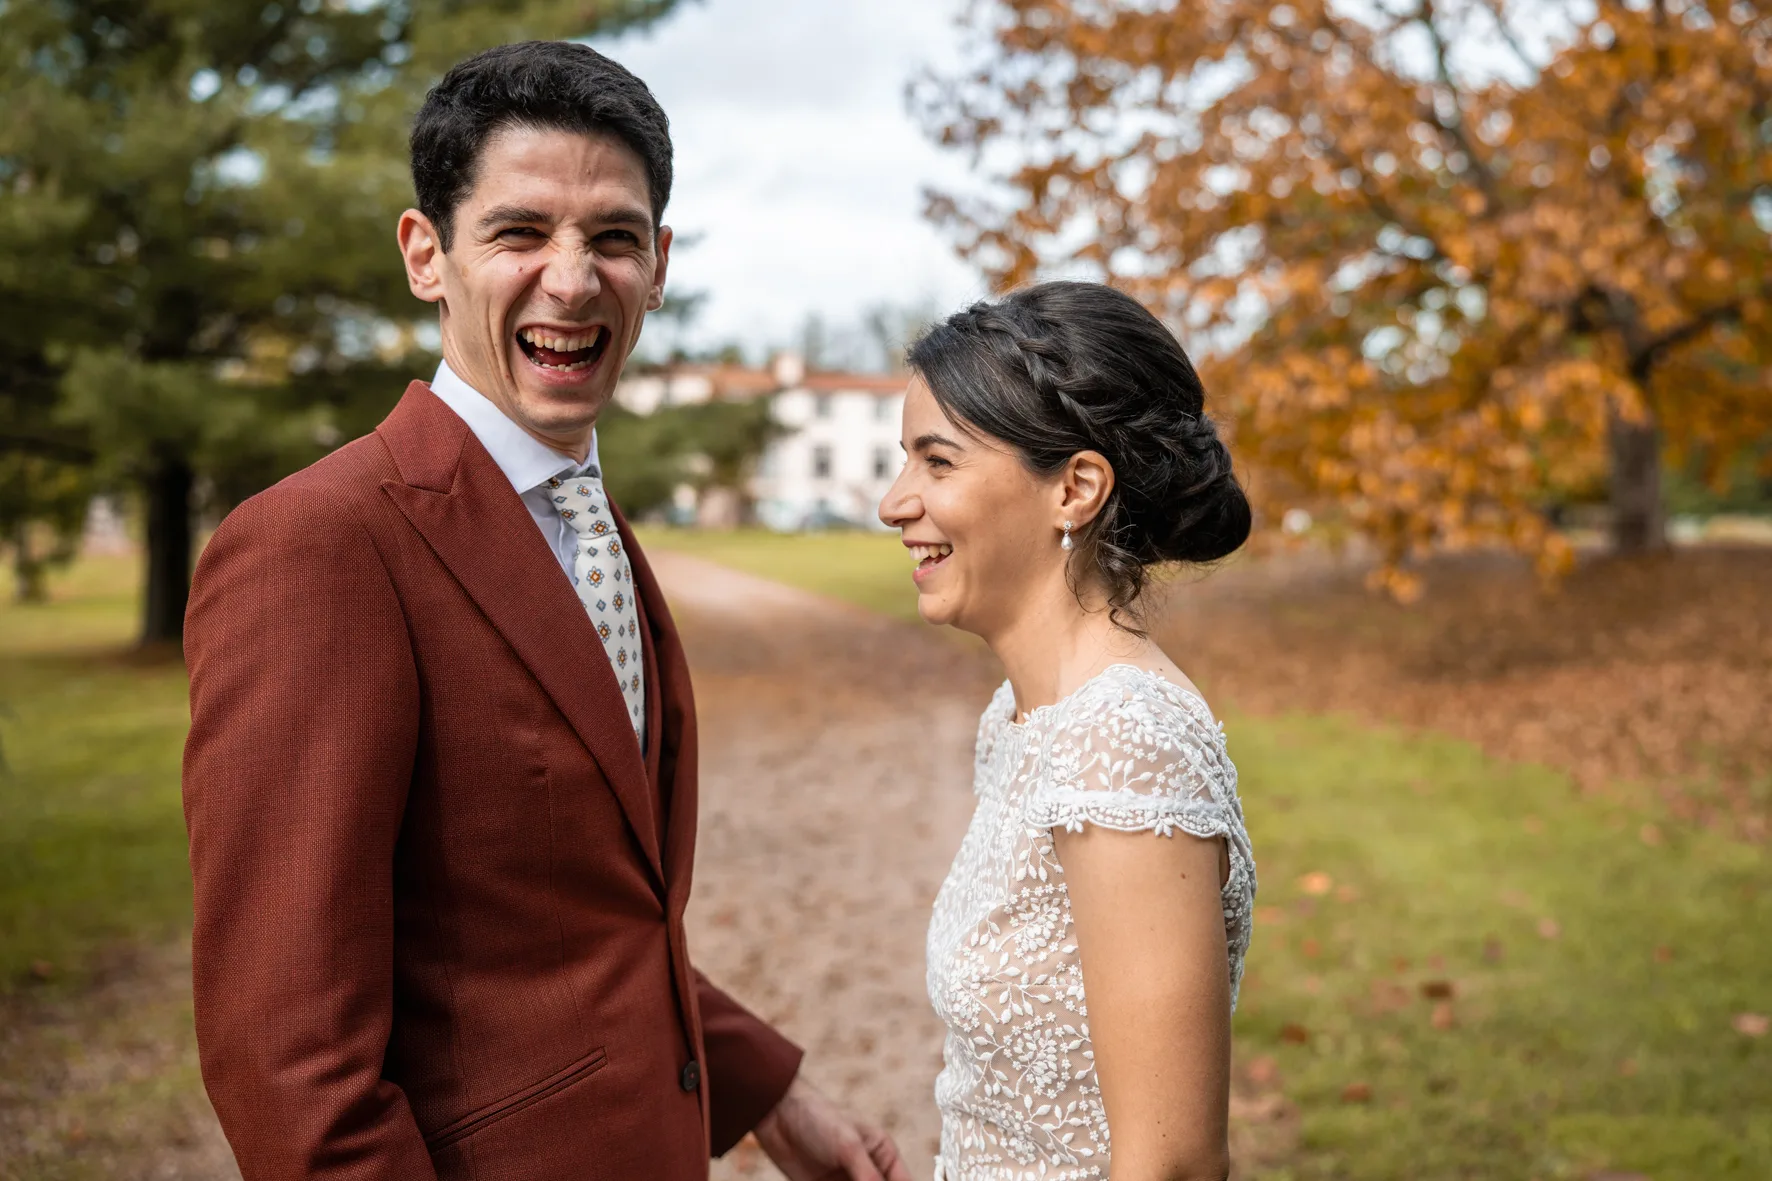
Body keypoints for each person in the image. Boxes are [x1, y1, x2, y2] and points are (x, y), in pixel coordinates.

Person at [182, 41, 910, 1181]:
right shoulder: (318, 546)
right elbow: (284, 1050)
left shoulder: (585, 514)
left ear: (657, 265)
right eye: (519, 232)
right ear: (427, 254)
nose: (571, 280)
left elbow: (579, 909)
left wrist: (773, 1091)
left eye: (612, 238)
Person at [878, 282, 1258, 1181]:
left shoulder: (1122, 745)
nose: (895, 503)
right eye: (907, 462)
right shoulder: (1024, 718)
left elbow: (1169, 1162)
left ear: (1076, 489)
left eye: (937, 463)